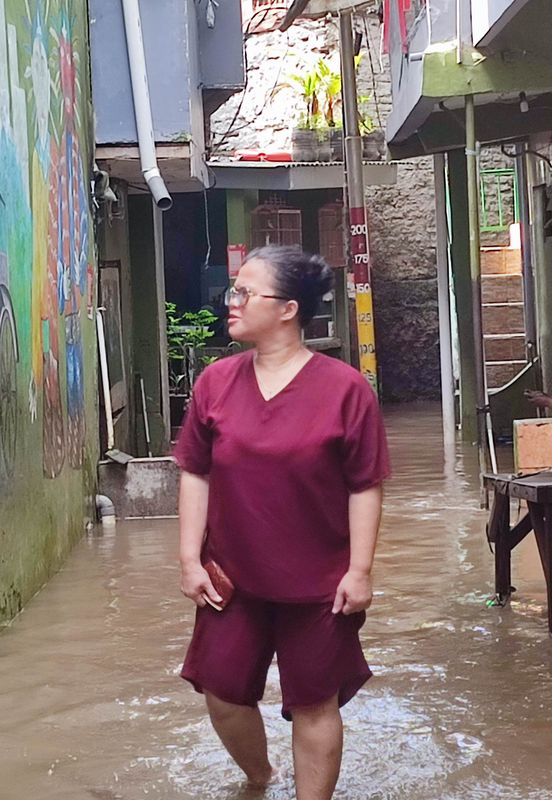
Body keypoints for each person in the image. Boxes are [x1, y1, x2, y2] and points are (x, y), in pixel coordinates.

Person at [173, 245, 390, 800]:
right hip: (233, 579)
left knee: (314, 702)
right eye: (233, 291)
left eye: (245, 292)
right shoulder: (215, 384)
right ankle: (260, 777)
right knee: (221, 692)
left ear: (288, 308)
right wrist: (190, 559)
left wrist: (360, 571)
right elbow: (195, 473)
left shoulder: (345, 390)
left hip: (319, 581)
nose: (232, 302)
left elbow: (365, 484)